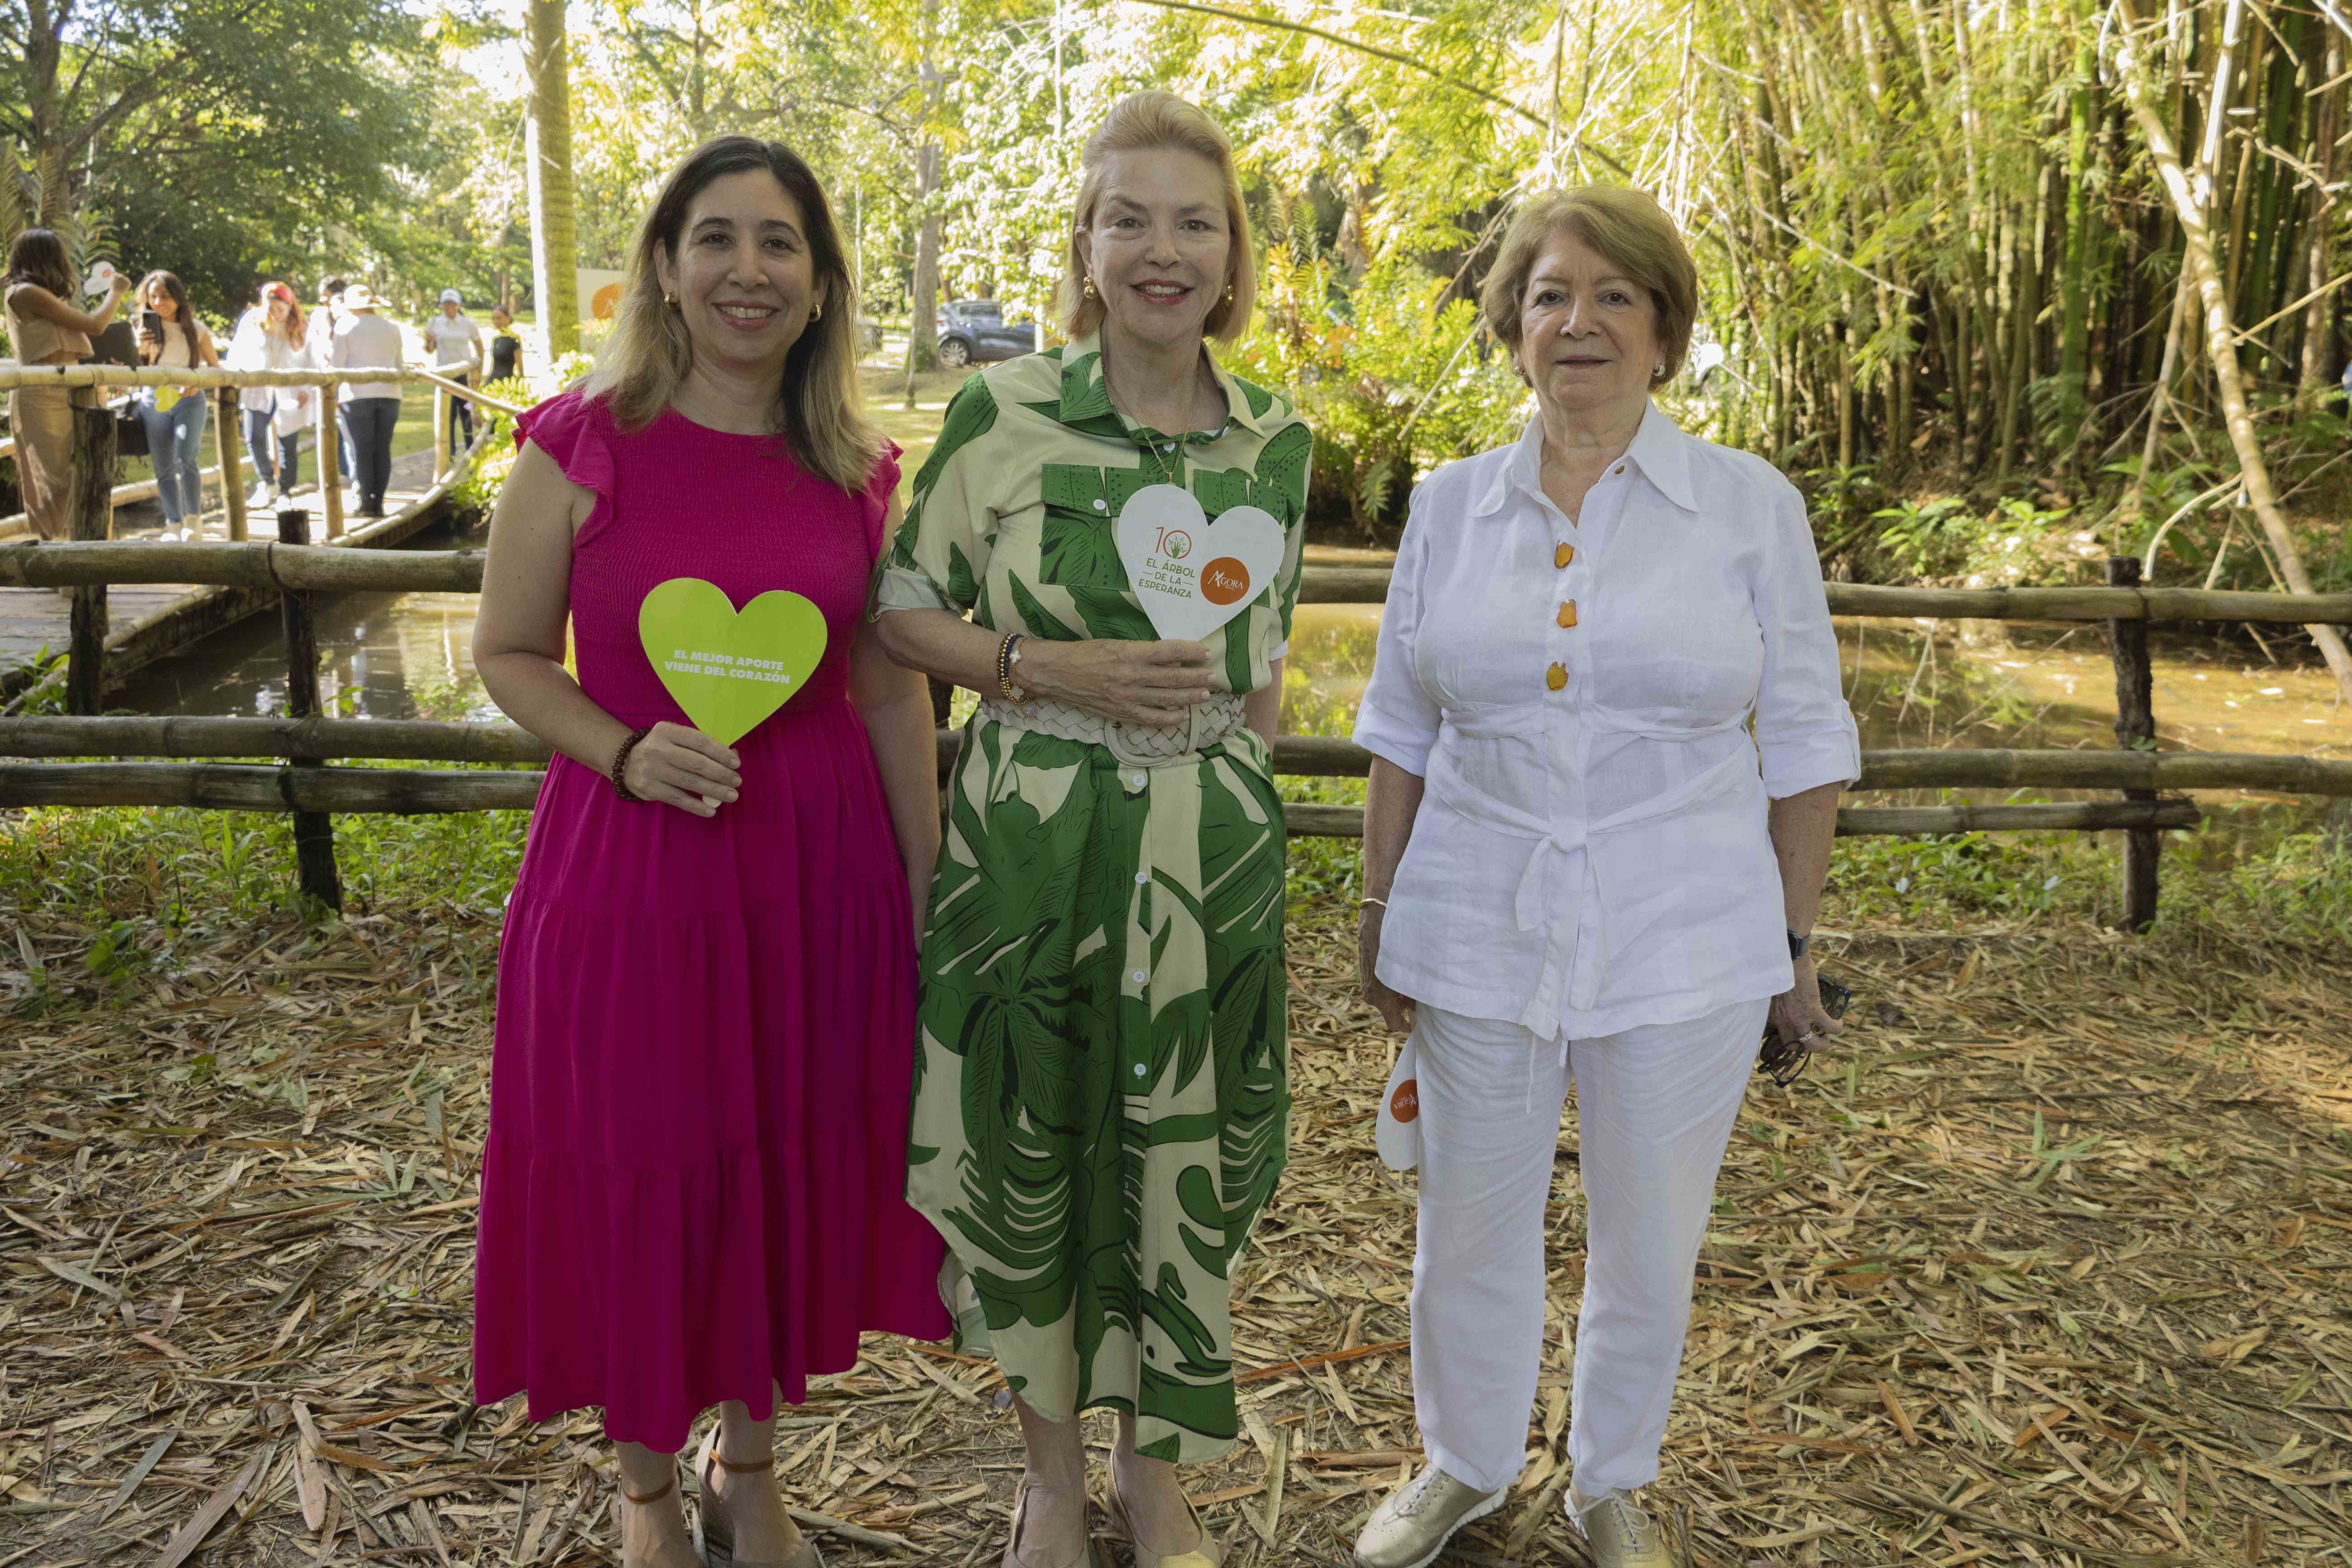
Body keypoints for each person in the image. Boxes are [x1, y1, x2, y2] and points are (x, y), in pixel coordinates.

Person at [1347, 186, 1860, 1568]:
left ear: (1664, 331)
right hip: (1472, 919)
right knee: (1468, 1222)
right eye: (1549, 294)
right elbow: (1401, 724)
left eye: (1613, 295)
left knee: (1650, 1231)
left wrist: (1792, 943)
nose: (1578, 321)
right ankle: (1462, 1458)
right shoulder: (1451, 504)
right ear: (1511, 326)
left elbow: (1806, 738)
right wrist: (1379, 907)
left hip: (1687, 932)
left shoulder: (1747, 507)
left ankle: (1609, 1476)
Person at [469, 135, 949, 1568]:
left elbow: (883, 685)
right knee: (644, 1160)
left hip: (814, 870)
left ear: (818, 288)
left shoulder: (856, 469)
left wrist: (923, 893)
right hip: (631, 867)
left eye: (781, 244)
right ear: (666, 270)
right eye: (718, 238)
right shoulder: (580, 444)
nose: (749, 269)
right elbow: (504, 653)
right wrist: (620, 743)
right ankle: (644, 1498)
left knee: (771, 1166)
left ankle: (753, 1470)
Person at [871, 90, 1310, 1568]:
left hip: (1205, 864)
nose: (1161, 248)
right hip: (1034, 852)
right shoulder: (1003, 414)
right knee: (1033, 1152)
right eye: (1130, 217)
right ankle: (1052, 1479)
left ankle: (1154, 1477)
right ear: (1084, 240)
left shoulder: (1272, 444)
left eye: (1194, 221)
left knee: (1178, 1164)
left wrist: (1260, 857)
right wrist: (1036, 667)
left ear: (1231, 254)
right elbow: (897, 612)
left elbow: (1257, 678)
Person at [3, 232, 130, 538]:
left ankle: (84, 554)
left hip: (71, 389)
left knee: (84, 473)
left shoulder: (43, 296)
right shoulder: (25, 292)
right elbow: (95, 326)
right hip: (41, 395)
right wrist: (117, 291)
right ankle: (58, 562)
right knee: (50, 482)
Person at [132, 270, 221, 540]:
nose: (159, 303)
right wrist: (139, 346)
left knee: (187, 456)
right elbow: (136, 369)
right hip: (155, 399)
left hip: (189, 401)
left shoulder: (197, 329)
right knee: (163, 467)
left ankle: (193, 520)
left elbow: (214, 368)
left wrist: (197, 381)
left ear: (179, 298)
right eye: (154, 297)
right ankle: (173, 522)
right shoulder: (143, 328)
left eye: (166, 297)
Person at [225, 282, 317, 506]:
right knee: (253, 437)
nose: (275, 314)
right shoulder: (252, 321)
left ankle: (286, 491)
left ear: (290, 307)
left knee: (287, 442)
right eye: (271, 308)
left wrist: (307, 388)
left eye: (280, 309)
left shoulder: (302, 326)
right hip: (258, 389)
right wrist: (235, 376)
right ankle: (267, 481)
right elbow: (237, 351)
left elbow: (311, 360)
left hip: (290, 390)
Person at [329, 285, 403, 518]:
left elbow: (337, 365)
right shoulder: (392, 328)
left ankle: (365, 501)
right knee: (382, 449)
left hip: (357, 395)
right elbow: (398, 363)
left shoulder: (345, 326)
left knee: (362, 449)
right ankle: (378, 502)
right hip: (390, 394)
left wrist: (331, 393)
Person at [426, 287, 482, 453]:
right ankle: (449, 452)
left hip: (464, 373)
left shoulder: (468, 324)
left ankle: (471, 449)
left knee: (466, 413)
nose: (450, 307)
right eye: (446, 304)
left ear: (458, 305)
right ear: (442, 305)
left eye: (453, 304)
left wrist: (479, 370)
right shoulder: (435, 322)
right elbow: (430, 349)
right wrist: (429, 341)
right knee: (448, 415)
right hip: (444, 374)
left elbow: (479, 347)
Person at [487, 305, 522, 385]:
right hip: (494, 379)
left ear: (508, 319)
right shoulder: (496, 340)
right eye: (494, 318)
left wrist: (521, 379)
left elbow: (519, 363)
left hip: (507, 380)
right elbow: (494, 365)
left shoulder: (514, 339)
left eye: (499, 318)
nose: (496, 321)